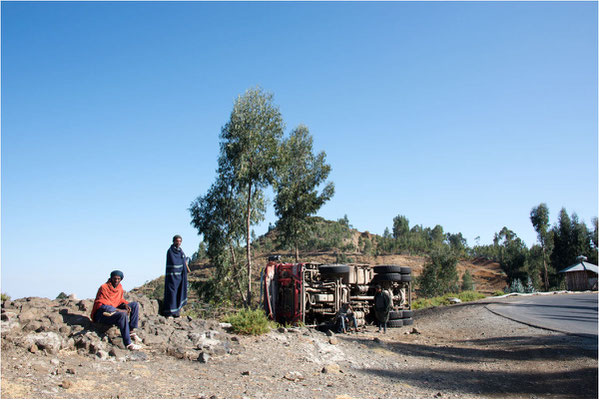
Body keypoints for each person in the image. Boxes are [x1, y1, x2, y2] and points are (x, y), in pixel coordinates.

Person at [90, 270, 142, 350]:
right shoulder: (104, 287)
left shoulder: (119, 287)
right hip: (102, 315)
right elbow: (102, 305)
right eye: (115, 278)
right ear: (111, 278)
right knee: (122, 314)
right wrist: (118, 310)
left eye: (118, 279)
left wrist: (124, 305)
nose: (116, 280)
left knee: (134, 305)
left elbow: (118, 300)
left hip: (114, 310)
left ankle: (131, 331)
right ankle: (128, 344)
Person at [163, 234, 190, 317]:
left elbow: (183, 261)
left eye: (180, 241)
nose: (178, 243)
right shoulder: (170, 251)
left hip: (180, 278)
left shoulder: (181, 251)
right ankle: (169, 312)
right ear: (173, 241)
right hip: (172, 278)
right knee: (172, 293)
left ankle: (176, 312)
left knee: (179, 293)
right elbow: (174, 263)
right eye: (177, 241)